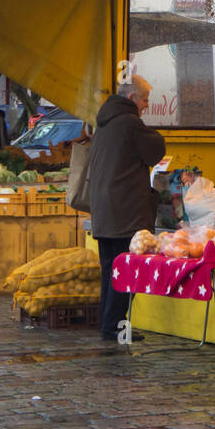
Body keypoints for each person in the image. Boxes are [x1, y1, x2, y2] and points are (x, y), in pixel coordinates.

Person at [87, 74, 165, 343]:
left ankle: (108, 325)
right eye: (145, 99)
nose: (146, 106)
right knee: (124, 270)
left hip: (105, 210)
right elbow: (156, 150)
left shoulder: (104, 123)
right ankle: (116, 327)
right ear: (132, 98)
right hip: (124, 213)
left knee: (110, 268)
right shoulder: (130, 124)